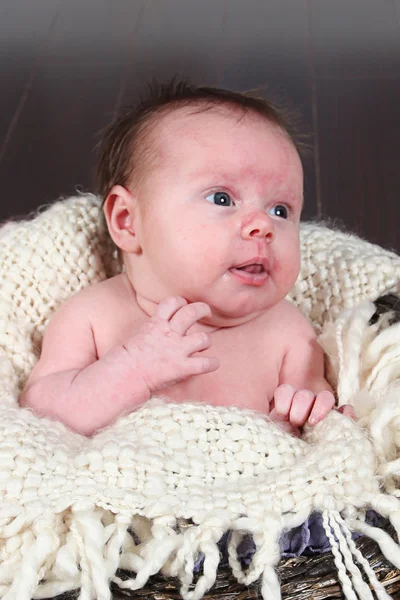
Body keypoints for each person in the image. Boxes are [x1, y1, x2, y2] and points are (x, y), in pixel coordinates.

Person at [19, 80, 351, 436]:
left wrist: (312, 409)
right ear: (128, 221)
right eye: (222, 199)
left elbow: (314, 404)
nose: (262, 225)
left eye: (281, 210)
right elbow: (40, 415)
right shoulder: (93, 316)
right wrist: (131, 369)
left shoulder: (291, 334)